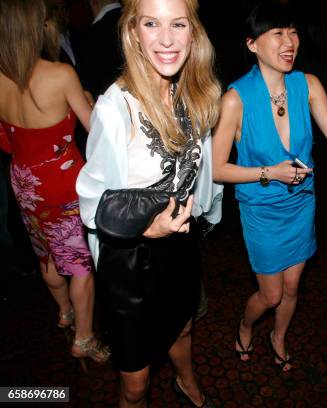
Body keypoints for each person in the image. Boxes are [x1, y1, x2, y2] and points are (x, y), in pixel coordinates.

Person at [212, 1, 327, 372]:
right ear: (252, 44)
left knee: (292, 289)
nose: (289, 41)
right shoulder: (235, 99)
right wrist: (270, 172)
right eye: (277, 33)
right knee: (271, 293)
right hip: (261, 210)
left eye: (292, 31)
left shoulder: (306, 84)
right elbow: (216, 169)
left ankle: (279, 337)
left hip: (301, 205)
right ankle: (246, 323)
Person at [76, 0, 222, 406]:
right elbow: (91, 201)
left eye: (178, 24)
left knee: (183, 328)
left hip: (180, 243)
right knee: (136, 384)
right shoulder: (115, 107)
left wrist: (200, 212)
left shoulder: (195, 93)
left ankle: (186, 382)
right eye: (151, 24)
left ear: (193, 32)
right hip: (130, 259)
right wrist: (146, 226)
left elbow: (201, 169)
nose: (166, 39)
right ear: (133, 33)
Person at [0, 0, 107, 368]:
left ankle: (64, 313)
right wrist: (91, 104)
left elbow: (4, 139)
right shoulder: (60, 74)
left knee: (45, 252)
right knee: (79, 264)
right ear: (37, 27)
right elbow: (97, 132)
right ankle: (84, 338)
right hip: (62, 183)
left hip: (24, 180)